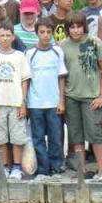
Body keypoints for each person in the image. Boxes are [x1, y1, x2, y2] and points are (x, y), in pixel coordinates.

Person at [60, 11, 102, 174]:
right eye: (72, 27)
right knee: (76, 136)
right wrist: (62, 98)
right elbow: (61, 73)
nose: (75, 30)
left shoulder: (94, 42)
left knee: (95, 133)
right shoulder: (63, 46)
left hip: (91, 96)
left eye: (79, 26)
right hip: (71, 96)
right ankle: (81, 171)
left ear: (84, 27)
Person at [0, 22, 31, 180]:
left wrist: (23, 103)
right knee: (0, 138)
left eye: (8, 35)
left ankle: (16, 168)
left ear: (13, 37)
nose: (5, 38)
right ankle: (4, 168)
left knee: (17, 138)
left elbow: (24, 81)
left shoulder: (20, 56)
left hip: (16, 102)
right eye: (2, 35)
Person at [26, 17, 67, 178]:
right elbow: (26, 79)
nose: (45, 35)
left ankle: (56, 167)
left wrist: (61, 100)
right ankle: (42, 169)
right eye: (42, 32)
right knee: (38, 138)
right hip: (35, 103)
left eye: (48, 32)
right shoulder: (30, 53)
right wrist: (25, 102)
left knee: (55, 137)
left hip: (54, 102)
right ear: (36, 33)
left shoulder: (57, 51)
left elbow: (61, 77)